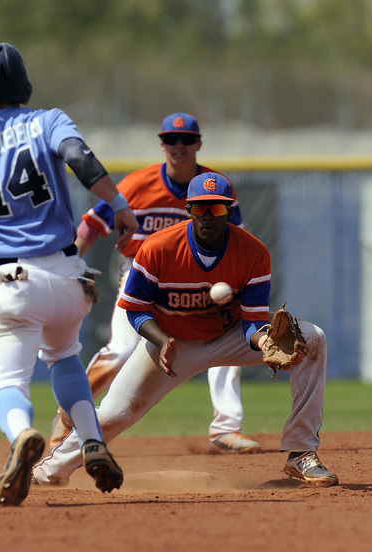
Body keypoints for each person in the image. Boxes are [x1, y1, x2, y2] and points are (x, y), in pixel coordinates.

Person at [33, 172, 339, 488]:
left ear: (230, 212)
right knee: (116, 413)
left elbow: (253, 321)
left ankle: (302, 452)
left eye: (217, 209)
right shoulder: (158, 248)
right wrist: (162, 340)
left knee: (313, 337)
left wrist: (263, 340)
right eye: (200, 208)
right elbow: (135, 309)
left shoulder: (254, 252)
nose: (208, 216)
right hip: (172, 341)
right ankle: (50, 471)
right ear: (188, 209)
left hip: (228, 335)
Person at [0, 43, 138, 506]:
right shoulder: (46, 121)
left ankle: (23, 434)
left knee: (5, 385)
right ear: (22, 82)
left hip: (12, 282)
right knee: (65, 357)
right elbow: (79, 158)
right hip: (68, 275)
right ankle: (91, 440)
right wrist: (120, 205)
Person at [49, 113, 261, 454]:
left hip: (201, 283)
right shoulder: (137, 185)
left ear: (198, 144)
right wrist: (71, 263)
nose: (179, 146)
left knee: (228, 344)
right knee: (119, 351)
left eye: (186, 140)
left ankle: (226, 428)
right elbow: (91, 225)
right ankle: (69, 413)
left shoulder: (216, 186)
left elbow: (238, 236)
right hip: (143, 278)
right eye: (171, 140)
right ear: (162, 144)